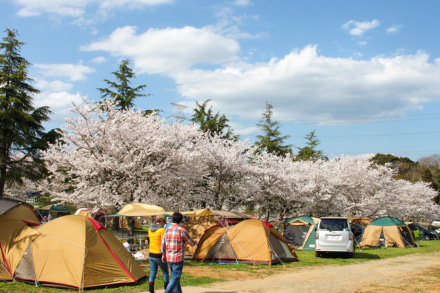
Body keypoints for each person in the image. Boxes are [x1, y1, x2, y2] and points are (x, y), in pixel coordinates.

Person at [161, 212, 196, 293]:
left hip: (169, 257)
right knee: (175, 277)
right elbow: (190, 241)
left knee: (175, 277)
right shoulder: (182, 230)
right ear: (181, 221)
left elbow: (163, 243)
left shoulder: (167, 229)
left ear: (172, 219)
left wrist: (163, 254)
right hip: (178, 257)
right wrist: (195, 242)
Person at [148, 216, 169, 293]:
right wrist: (164, 254)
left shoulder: (150, 229)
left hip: (151, 254)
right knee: (165, 272)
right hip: (159, 254)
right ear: (162, 222)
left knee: (153, 272)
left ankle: (151, 290)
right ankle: (167, 289)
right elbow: (163, 243)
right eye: (164, 223)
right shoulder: (162, 230)